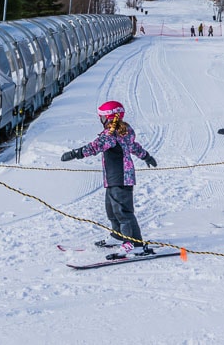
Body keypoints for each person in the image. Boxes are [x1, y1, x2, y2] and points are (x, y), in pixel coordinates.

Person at [61, 100, 158, 258]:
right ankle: (118, 236)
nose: (100, 120)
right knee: (111, 210)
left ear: (108, 117)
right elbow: (134, 147)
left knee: (123, 212)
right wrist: (147, 156)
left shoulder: (110, 134)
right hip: (114, 178)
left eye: (101, 117)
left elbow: (94, 147)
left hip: (120, 177)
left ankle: (133, 244)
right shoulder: (123, 131)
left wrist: (74, 154)